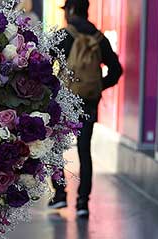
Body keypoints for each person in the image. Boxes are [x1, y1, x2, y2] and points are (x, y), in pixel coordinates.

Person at [48, 0, 122, 218]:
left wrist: (54, 89)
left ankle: (60, 194)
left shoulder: (63, 35)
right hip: (89, 101)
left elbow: (44, 67)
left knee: (54, 149)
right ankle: (82, 203)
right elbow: (117, 70)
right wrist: (98, 87)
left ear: (70, 10)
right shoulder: (99, 38)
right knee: (84, 150)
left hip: (64, 100)